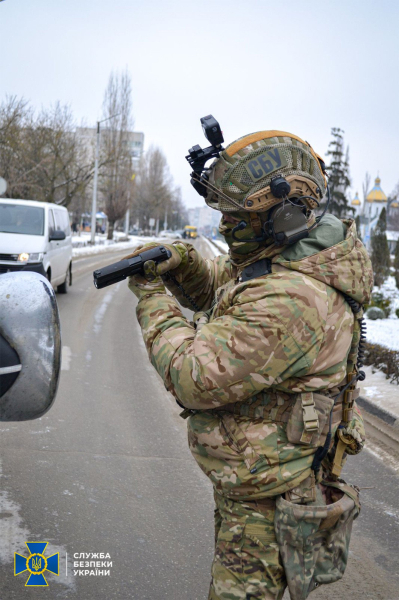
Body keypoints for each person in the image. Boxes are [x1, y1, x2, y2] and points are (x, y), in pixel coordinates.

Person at [126, 130, 373, 600]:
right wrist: (183, 265)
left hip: (269, 499)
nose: (224, 227)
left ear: (280, 215)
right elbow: (232, 291)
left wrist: (151, 295)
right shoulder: (292, 257)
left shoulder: (292, 297)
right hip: (262, 477)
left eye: (235, 218)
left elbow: (192, 377)